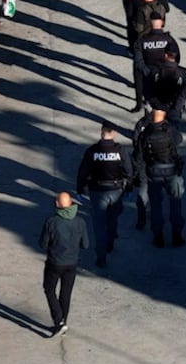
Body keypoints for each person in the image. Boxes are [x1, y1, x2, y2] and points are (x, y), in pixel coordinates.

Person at [75, 122, 130, 268]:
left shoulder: (92, 151)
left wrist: (80, 189)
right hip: (116, 190)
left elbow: (83, 172)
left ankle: (101, 257)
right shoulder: (120, 150)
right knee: (113, 218)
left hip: (97, 191)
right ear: (113, 133)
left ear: (101, 133)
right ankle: (110, 240)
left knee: (99, 225)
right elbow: (129, 171)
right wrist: (128, 188)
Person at [37, 191, 90, 336]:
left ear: (57, 204)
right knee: (66, 294)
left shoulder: (52, 221)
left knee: (49, 289)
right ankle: (63, 323)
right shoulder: (80, 222)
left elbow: (43, 244)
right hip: (72, 264)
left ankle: (59, 321)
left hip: (54, 263)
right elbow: (85, 245)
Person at [136, 107, 185, 248]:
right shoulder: (169, 130)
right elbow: (179, 140)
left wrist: (138, 174)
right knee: (175, 202)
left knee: (156, 205)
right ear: (163, 115)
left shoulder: (146, 134)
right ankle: (177, 234)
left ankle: (158, 236)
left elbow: (139, 155)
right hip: (172, 171)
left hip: (154, 172)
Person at [149, 49, 186, 124]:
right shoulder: (182, 74)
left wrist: (153, 104)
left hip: (157, 107)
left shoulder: (156, 71)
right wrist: (177, 109)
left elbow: (149, 89)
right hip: (174, 108)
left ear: (165, 55)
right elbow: (182, 95)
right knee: (172, 132)